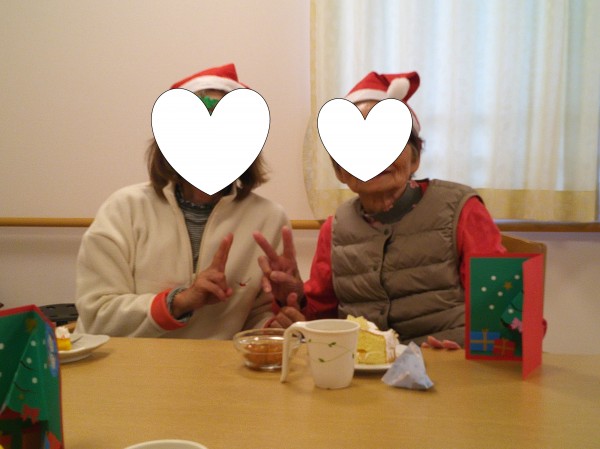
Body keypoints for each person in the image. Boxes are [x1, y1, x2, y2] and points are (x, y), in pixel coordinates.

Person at [254, 70, 506, 348]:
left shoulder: (462, 210)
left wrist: (467, 352)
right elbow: (321, 318)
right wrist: (295, 299)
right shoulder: (334, 228)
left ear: (415, 159)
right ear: (340, 171)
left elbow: (503, 310)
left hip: (447, 365)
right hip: (362, 368)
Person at [75, 63, 289, 338]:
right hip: (130, 361)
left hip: (220, 363)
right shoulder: (124, 209)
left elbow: (257, 316)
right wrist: (179, 301)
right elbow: (96, 315)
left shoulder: (269, 219)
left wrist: (277, 325)